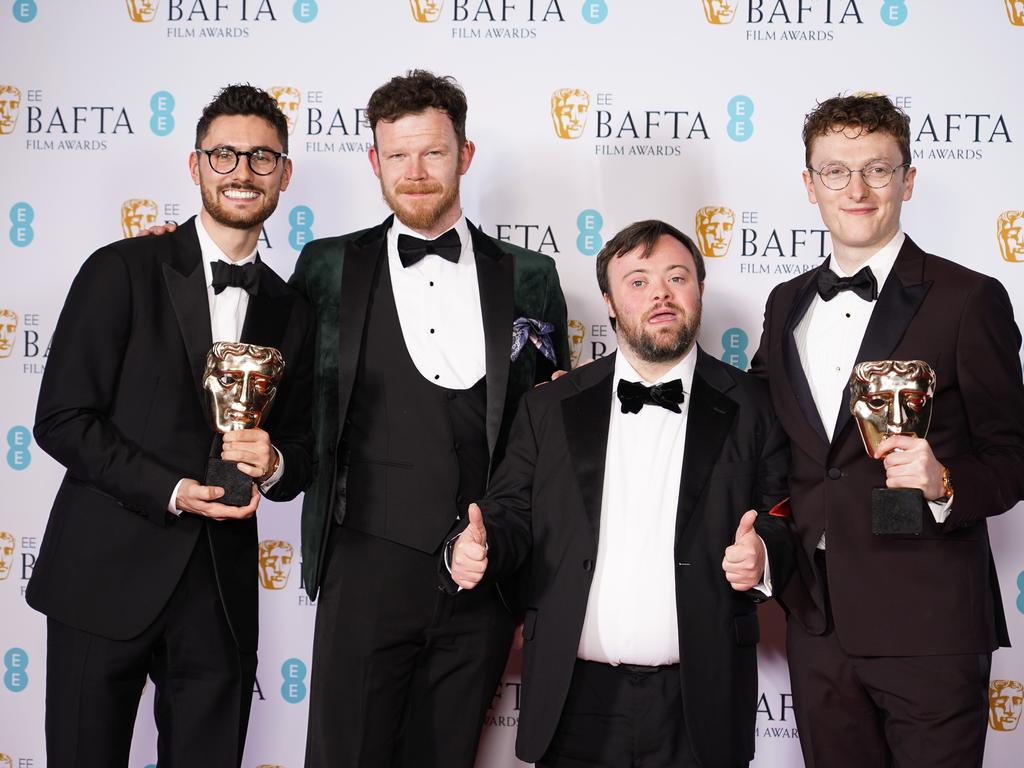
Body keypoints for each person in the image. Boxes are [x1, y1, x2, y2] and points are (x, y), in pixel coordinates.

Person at [26, 84, 314, 768]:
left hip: (218, 596)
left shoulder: (293, 310)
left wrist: (274, 463)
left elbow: (301, 450)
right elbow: (61, 420)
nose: (242, 171)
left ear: (285, 174)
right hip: (103, 577)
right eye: (224, 155)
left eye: (262, 158)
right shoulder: (122, 269)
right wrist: (172, 488)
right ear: (195, 167)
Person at [290, 70, 570, 768]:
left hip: (483, 577)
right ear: (374, 161)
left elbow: (550, 428)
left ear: (465, 156)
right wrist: (174, 250)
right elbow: (263, 368)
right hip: (363, 564)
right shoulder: (326, 267)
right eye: (397, 155)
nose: (415, 174)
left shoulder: (531, 276)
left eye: (434, 154)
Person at [448, 219, 792, 768]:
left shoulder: (754, 405)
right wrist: (477, 549)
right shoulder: (549, 407)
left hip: (701, 700)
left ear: (699, 290)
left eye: (677, 277)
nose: (660, 292)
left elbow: (782, 515)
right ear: (608, 302)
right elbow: (509, 514)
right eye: (637, 281)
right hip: (573, 701)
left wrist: (765, 554)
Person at [750, 92, 1024, 768]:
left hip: (930, 625)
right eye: (836, 171)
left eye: (877, 168)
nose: (858, 188)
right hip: (816, 622)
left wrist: (944, 483)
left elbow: (1013, 455)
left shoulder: (968, 298)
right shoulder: (785, 303)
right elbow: (761, 427)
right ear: (809, 185)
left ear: (908, 178)